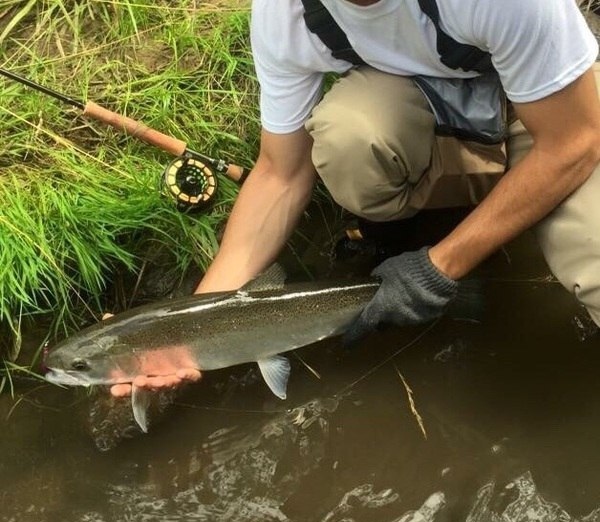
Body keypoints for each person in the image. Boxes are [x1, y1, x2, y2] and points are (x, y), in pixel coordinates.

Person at [111, 0, 600, 398]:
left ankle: (482, 222)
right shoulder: (286, 14)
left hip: (561, 110)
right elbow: (281, 174)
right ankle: (459, 216)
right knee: (349, 137)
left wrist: (439, 267)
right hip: (432, 107)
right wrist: (190, 328)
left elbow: (574, 142)